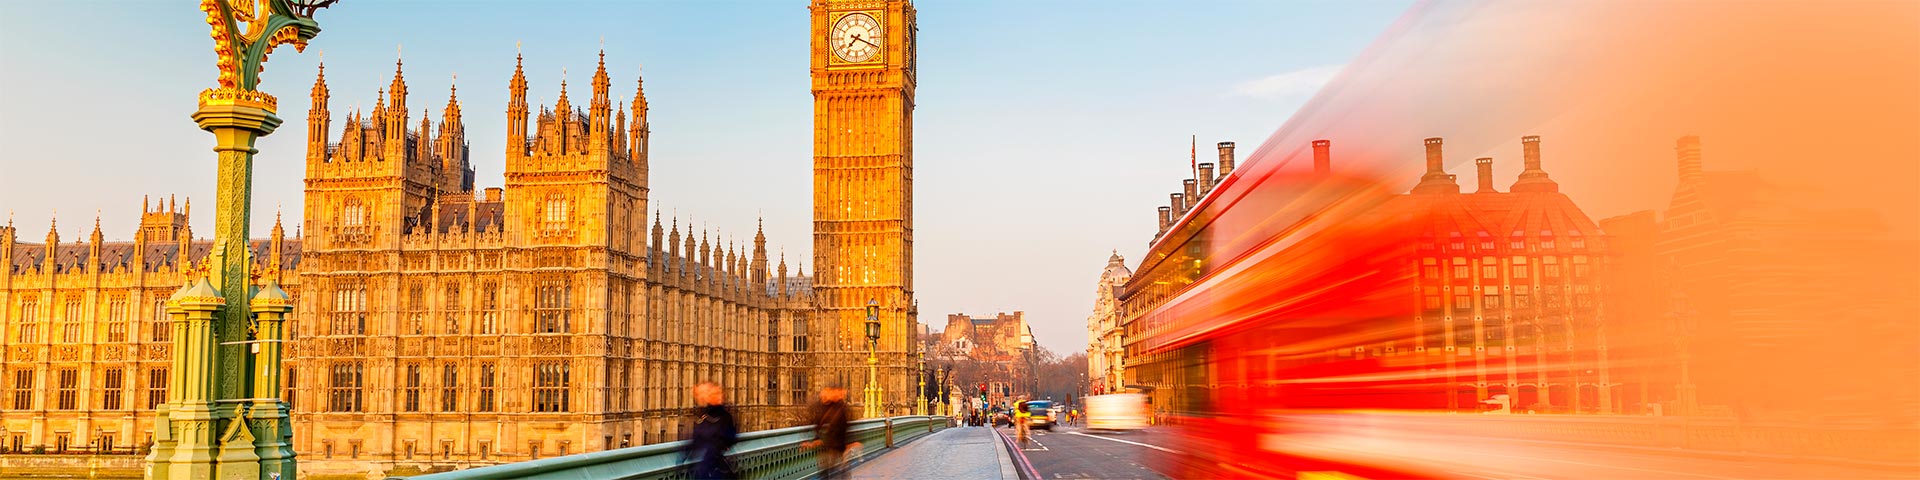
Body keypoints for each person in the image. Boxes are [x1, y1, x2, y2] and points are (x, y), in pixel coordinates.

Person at [681, 381, 738, 480]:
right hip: (708, 465)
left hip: (713, 466)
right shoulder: (706, 415)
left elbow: (729, 437)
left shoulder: (719, 415)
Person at [804, 384, 860, 479]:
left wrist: (851, 442)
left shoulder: (841, 407)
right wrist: (813, 440)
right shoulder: (823, 407)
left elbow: (846, 426)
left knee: (835, 471)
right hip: (829, 446)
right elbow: (817, 425)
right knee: (830, 471)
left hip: (836, 446)